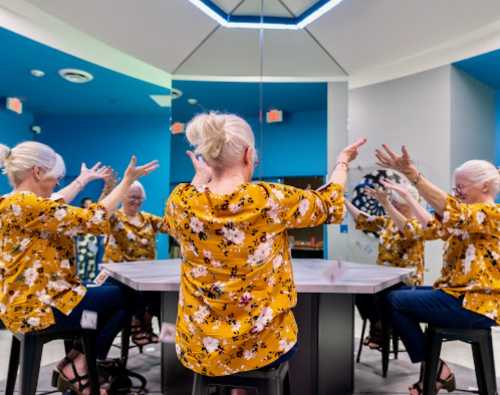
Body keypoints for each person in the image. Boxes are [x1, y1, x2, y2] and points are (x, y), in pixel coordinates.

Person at [160, 112, 366, 379]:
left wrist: (201, 177)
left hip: (200, 347)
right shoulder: (269, 199)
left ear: (208, 160)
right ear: (248, 154)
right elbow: (330, 202)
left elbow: (175, 219)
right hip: (263, 347)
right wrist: (342, 163)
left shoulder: (180, 201)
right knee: (277, 347)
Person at [0, 141, 158, 395]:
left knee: (110, 293)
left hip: (24, 303)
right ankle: (81, 363)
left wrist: (83, 180)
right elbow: (94, 220)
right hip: (40, 308)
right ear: (38, 172)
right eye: (55, 177)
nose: (57, 184)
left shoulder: (13, 203)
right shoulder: (29, 205)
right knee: (129, 296)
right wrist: (126, 181)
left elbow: (60, 200)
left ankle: (79, 359)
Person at [376, 145, 499, 395]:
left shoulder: (492, 214)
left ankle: (436, 369)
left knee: (394, 300)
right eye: (455, 188)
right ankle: (435, 368)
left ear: (485, 187)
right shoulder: (467, 217)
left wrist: (413, 176)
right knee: (394, 291)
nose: (457, 193)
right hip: (457, 295)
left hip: (475, 304)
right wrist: (407, 196)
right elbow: (433, 226)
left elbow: (454, 212)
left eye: (461, 188)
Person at [346, 181, 426, 349]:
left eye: (395, 202)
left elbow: (408, 230)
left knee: (380, 294)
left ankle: (382, 330)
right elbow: (363, 220)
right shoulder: (389, 221)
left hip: (406, 281)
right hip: (384, 279)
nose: (393, 205)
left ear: (404, 204)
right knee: (360, 291)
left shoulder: (418, 223)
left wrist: (386, 204)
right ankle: (379, 326)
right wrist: (343, 201)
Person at [103, 180, 166, 349]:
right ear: (122, 196)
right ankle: (137, 322)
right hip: (120, 276)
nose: (136, 201)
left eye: (139, 198)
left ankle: (146, 322)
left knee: (162, 294)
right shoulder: (115, 217)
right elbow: (100, 214)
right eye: (132, 197)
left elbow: (169, 226)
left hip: (146, 275)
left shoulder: (148, 219)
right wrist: (108, 192)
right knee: (135, 293)